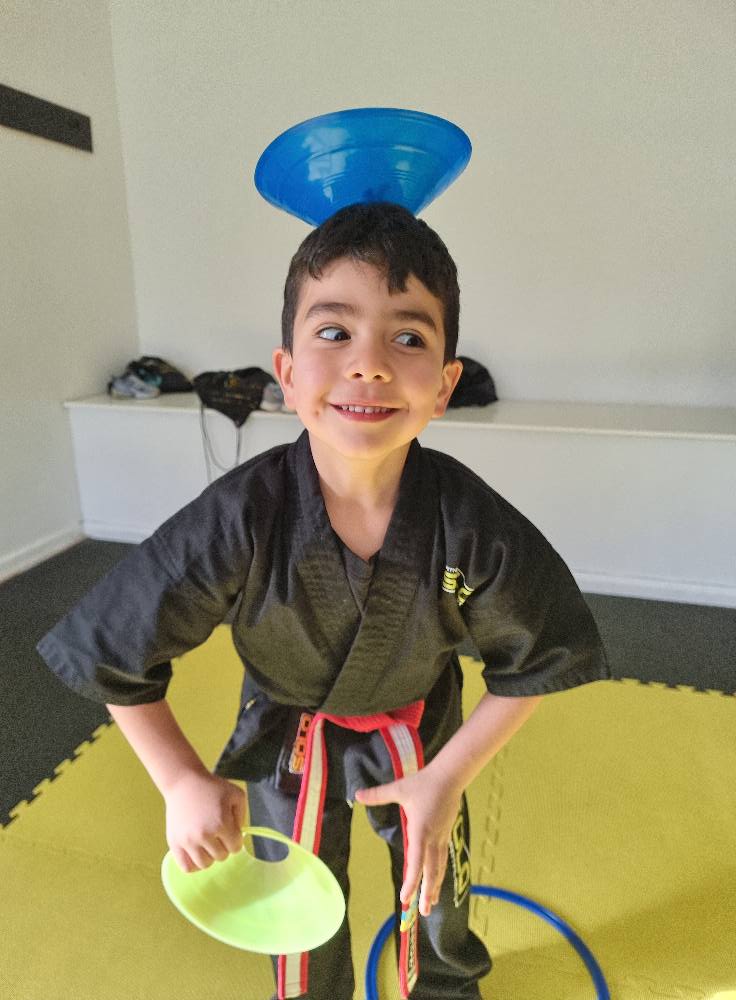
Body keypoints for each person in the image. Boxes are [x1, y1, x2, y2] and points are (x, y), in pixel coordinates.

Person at [36, 202, 610, 1000]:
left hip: (424, 734)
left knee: (435, 886)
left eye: (408, 337)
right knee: (293, 906)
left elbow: (539, 655)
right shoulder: (243, 515)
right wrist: (179, 782)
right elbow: (115, 648)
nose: (369, 364)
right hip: (286, 740)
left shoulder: (466, 522)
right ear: (288, 372)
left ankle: (445, 985)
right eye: (335, 332)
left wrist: (448, 778)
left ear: (445, 385)